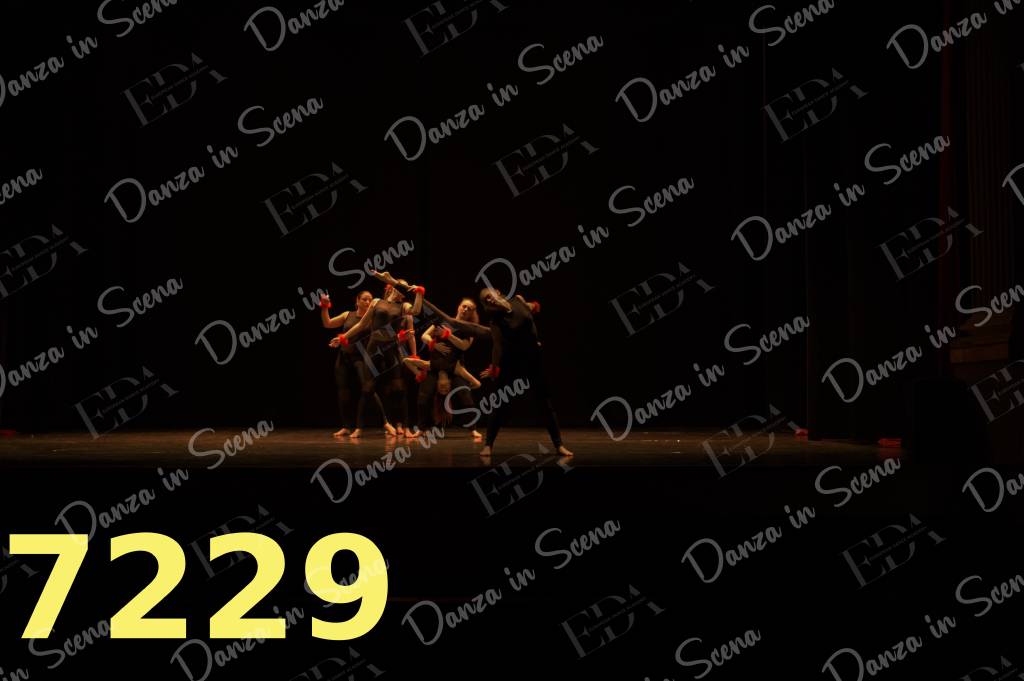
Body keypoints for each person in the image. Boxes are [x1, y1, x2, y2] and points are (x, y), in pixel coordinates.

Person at [421, 289, 573, 457]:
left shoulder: (518, 300)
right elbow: (498, 347)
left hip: (532, 360)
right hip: (511, 363)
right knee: (500, 406)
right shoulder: (496, 321)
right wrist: (494, 367)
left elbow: (531, 312)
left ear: (498, 293)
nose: (489, 300)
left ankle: (559, 445)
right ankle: (488, 445)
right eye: (486, 301)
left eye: (489, 296)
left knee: (545, 404)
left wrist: (533, 338)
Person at [332, 271, 424, 437]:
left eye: (404, 289)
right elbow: (361, 324)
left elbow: (417, 310)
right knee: (368, 388)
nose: (401, 290)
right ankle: (359, 428)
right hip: (374, 347)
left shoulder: (403, 306)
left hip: (391, 348)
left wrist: (418, 292)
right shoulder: (376, 302)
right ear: (392, 287)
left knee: (399, 387)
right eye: (399, 286)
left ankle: (406, 427)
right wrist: (343, 337)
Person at [404, 298, 483, 440]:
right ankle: (422, 428)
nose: (465, 310)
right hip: (435, 365)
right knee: (423, 396)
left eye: (469, 309)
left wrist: (448, 335)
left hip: (454, 367)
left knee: (465, 395)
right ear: (459, 307)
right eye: (464, 306)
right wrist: (433, 344)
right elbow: (424, 336)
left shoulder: (469, 328)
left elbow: (464, 346)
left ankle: (473, 429)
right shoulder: (443, 320)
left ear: (472, 313)